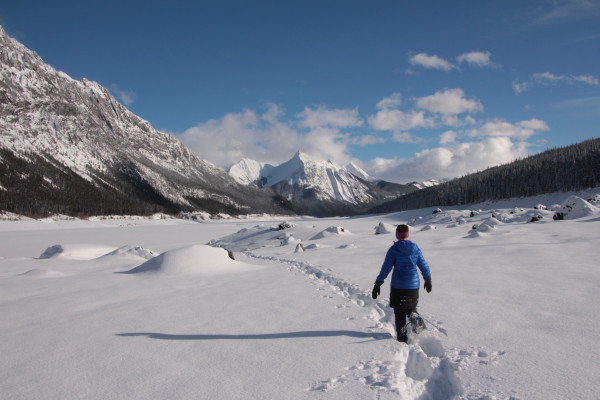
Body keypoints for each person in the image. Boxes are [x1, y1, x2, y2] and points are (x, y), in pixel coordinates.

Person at [372, 224, 432, 343]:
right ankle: (415, 321)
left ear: (397, 235)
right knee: (411, 307)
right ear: (407, 234)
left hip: (398, 287)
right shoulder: (415, 248)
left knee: (399, 314)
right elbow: (423, 265)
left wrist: (378, 283)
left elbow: (386, 268)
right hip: (413, 286)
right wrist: (428, 279)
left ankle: (402, 337)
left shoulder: (393, 249)